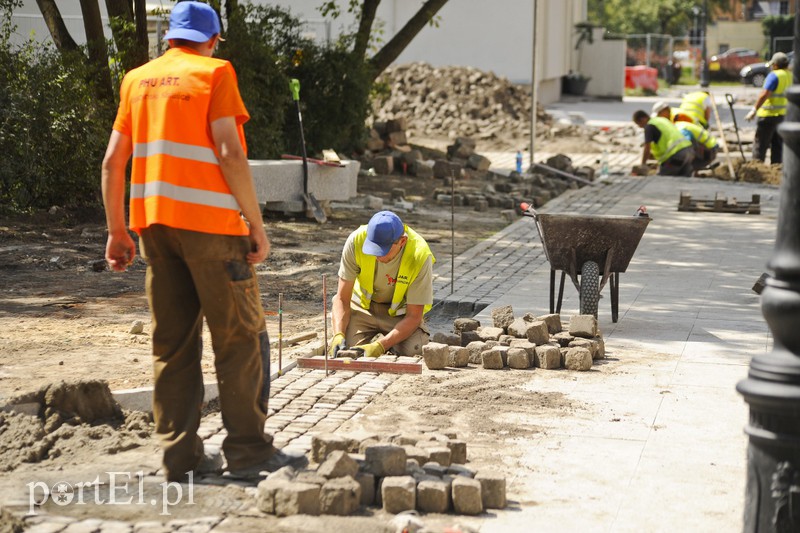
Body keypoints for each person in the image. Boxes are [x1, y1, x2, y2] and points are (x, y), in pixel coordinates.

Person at [101, 1, 306, 482]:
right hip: (213, 231)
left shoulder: (136, 80)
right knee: (239, 341)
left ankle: (181, 458)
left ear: (169, 37)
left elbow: (112, 162)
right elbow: (230, 152)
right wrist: (256, 223)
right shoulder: (215, 74)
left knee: (172, 347)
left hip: (154, 230)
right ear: (213, 40)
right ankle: (249, 452)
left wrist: (116, 231)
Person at [330, 211, 435, 358]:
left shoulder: (420, 255)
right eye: (373, 248)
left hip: (399, 315)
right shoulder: (356, 241)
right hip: (363, 309)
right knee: (344, 348)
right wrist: (338, 335)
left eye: (383, 250)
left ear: (402, 241)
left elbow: (414, 316)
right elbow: (342, 298)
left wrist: (381, 346)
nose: (377, 255)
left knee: (414, 349)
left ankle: (389, 342)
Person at [746, 51, 791, 164]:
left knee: (760, 145)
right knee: (778, 146)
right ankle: (776, 169)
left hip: (768, 116)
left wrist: (754, 110)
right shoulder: (791, 76)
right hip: (782, 116)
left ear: (775, 65)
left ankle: (756, 169)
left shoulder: (774, 75)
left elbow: (764, 94)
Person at [632, 102, 694, 176]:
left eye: (639, 124)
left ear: (643, 119)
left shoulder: (649, 126)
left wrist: (643, 164)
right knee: (683, 179)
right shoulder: (662, 120)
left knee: (661, 178)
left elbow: (647, 148)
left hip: (677, 155)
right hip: (689, 152)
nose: (640, 127)